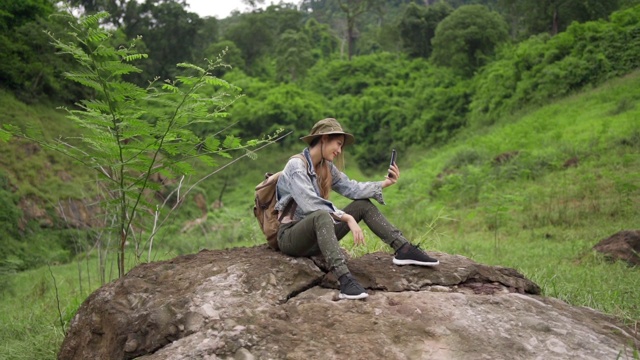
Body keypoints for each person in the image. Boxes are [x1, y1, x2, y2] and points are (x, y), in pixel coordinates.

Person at [275, 118, 439, 300]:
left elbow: (352, 188)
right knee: (321, 215)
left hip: (318, 236)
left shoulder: (326, 167)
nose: (339, 151)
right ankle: (345, 280)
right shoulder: (296, 166)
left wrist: (386, 183)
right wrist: (347, 218)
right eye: (337, 144)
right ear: (323, 139)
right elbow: (309, 203)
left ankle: (403, 249)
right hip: (291, 237)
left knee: (362, 205)